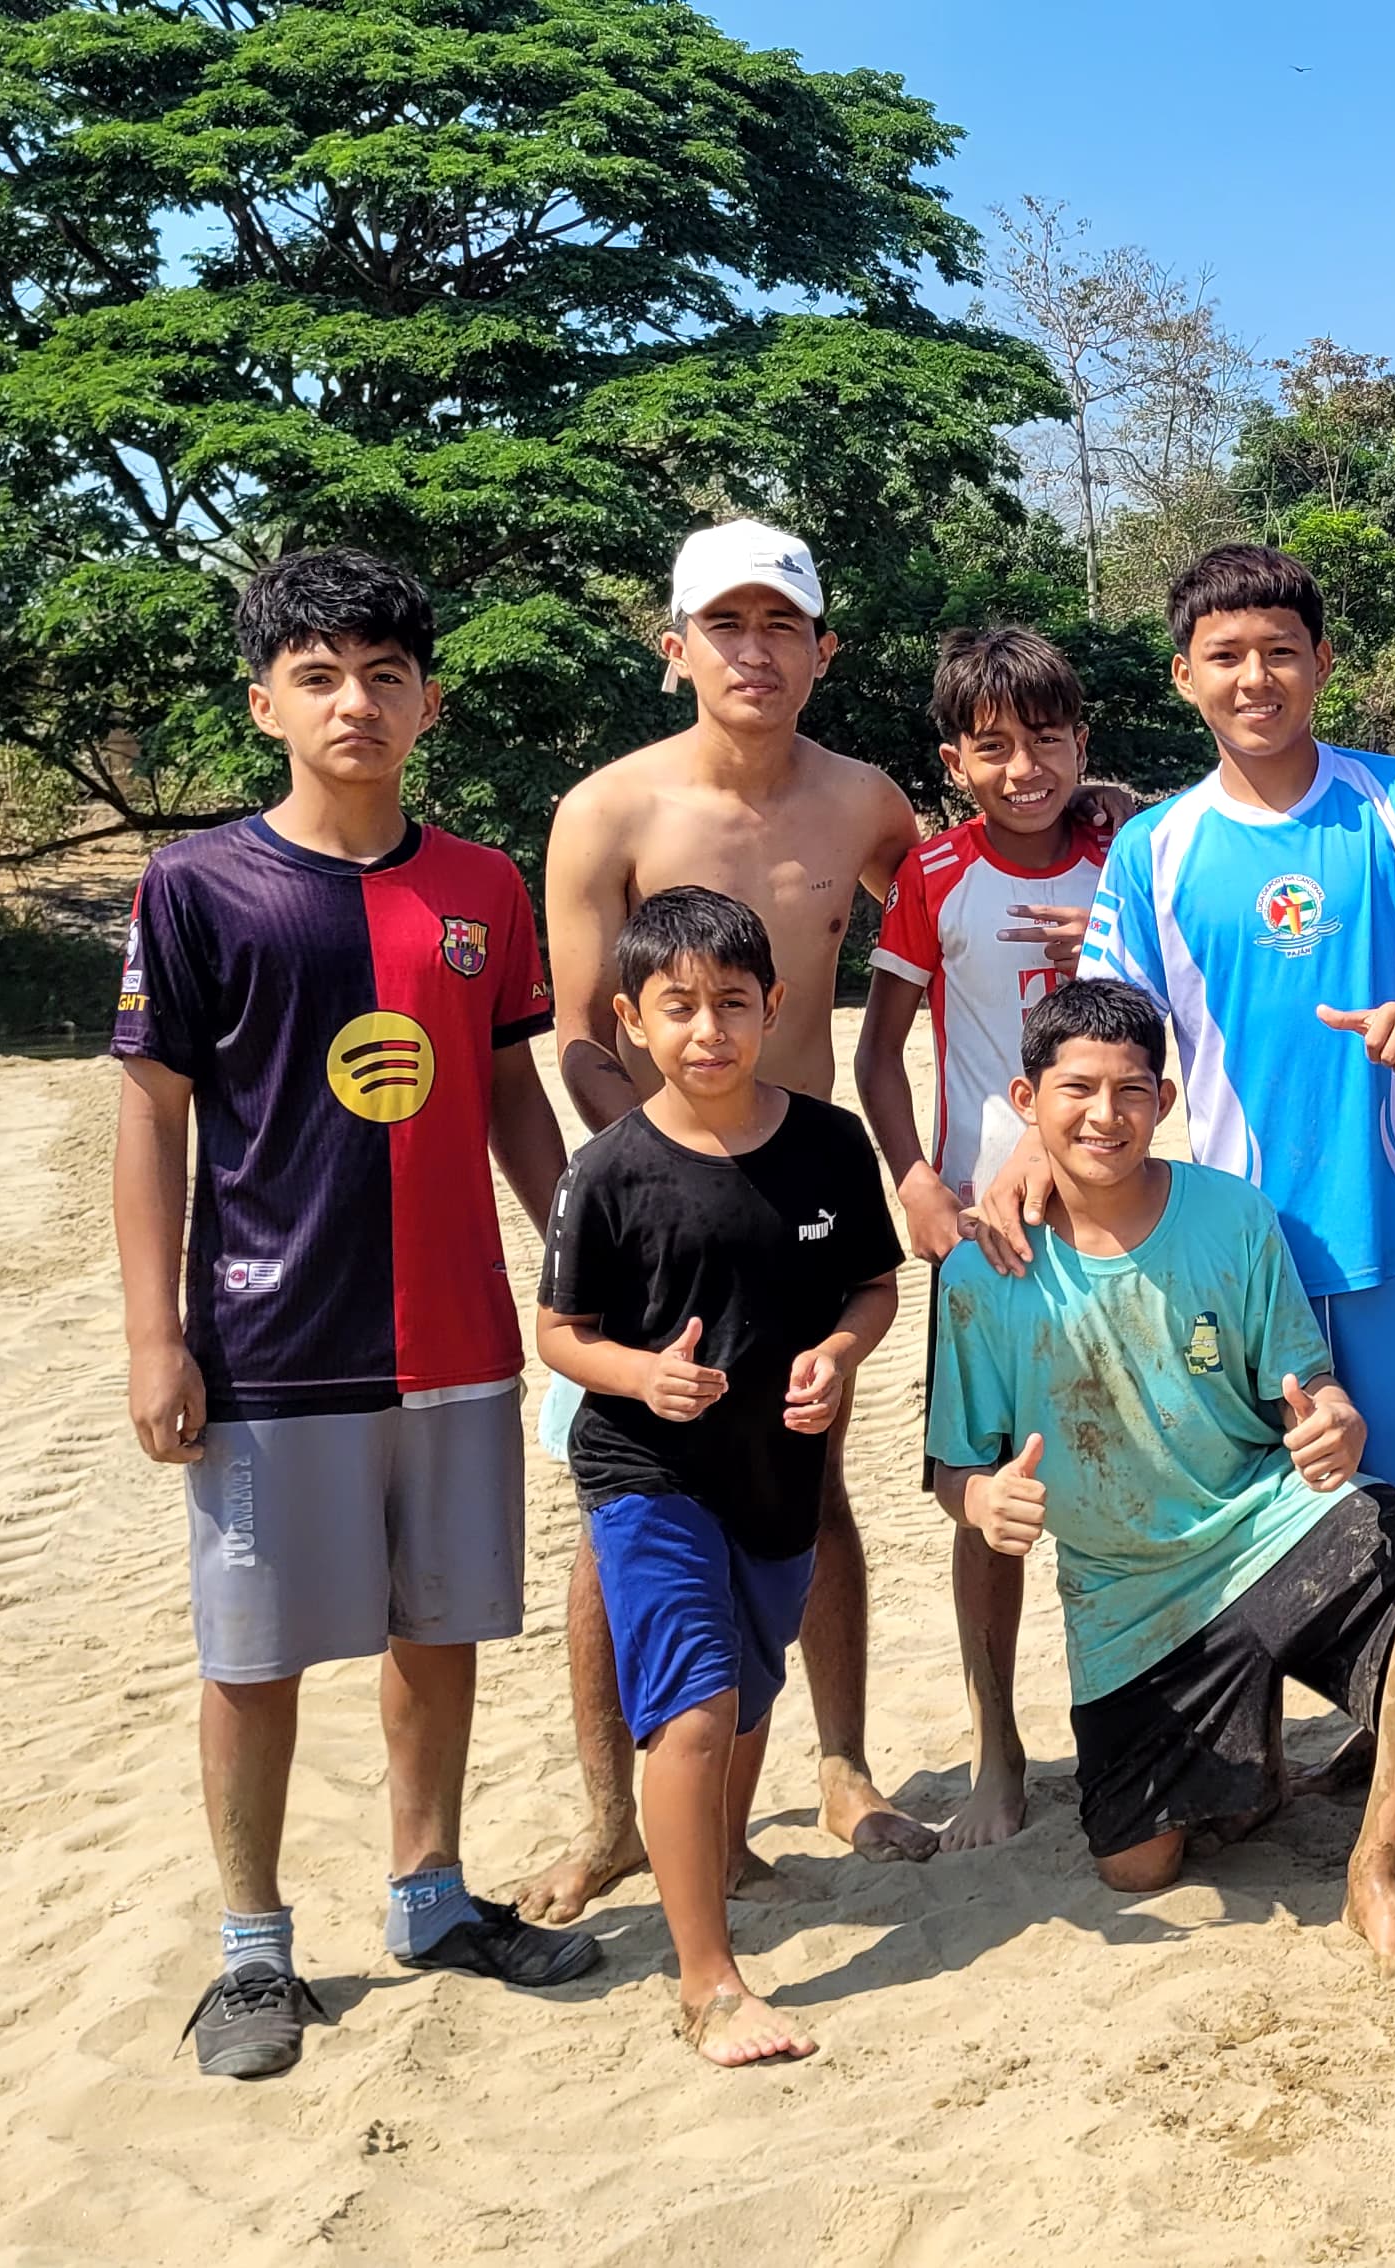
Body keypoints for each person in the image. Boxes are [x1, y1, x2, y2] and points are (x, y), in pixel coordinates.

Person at [970, 544, 1395, 1854]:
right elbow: (1108, 1038)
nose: (1256, 677)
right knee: (1255, 1511)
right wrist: (1021, 1154)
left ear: (1322, 663)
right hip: (1230, 1256)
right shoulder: (1155, 851)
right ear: (1184, 675)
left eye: (1280, 651)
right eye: (1226, 655)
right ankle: (1266, 1757)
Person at [113, 549, 601, 2082]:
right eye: (317, 676)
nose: (355, 703)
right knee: (252, 1654)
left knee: (436, 1625)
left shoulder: (479, 886)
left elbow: (512, 1092)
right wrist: (153, 1336)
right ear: (264, 704)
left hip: (456, 1336)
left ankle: (429, 1896)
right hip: (269, 1344)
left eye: (386, 676)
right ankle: (253, 1948)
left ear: (428, 703)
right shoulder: (198, 885)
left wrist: (577, 1262)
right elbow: (151, 1118)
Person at [520, 518, 945, 1923]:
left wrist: (1075, 863)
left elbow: (943, 919)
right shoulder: (607, 812)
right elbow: (583, 1035)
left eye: (781, 626)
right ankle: (612, 1816)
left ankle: (841, 1766)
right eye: (725, 625)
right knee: (624, 1510)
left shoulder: (867, 803)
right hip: (653, 1210)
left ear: (824, 650)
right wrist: (651, 1174)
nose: (753, 651)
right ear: (675, 649)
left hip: (809, 1203)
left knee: (812, 1483)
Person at [928, 980, 1395, 1977]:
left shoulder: (1231, 1215)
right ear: (1026, 1101)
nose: (1104, 1115)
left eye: (1131, 1090)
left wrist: (1337, 1420)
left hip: (1264, 1529)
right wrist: (980, 1498)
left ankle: (1375, 1871)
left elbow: (1305, 1383)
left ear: (1165, 1099)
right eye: (1076, 1090)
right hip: (1127, 1600)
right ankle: (1250, 1762)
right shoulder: (982, 1274)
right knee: (1138, 1868)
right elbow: (953, 1464)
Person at [537, 887, 900, 2064]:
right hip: (647, 1471)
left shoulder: (830, 1146)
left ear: (776, 1007)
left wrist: (837, 1355)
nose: (708, 1030)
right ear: (632, 1021)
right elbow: (560, 1334)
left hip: (777, 1475)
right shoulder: (605, 1171)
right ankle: (708, 1984)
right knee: (693, 1708)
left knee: (746, 1692)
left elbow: (872, 1287)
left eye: (732, 1004)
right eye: (679, 1007)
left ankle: (726, 1854)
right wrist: (643, 1377)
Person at [857, 625, 1113, 1850]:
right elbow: (877, 1050)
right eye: (994, 747)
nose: (1026, 769)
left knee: (1123, 1470)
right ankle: (997, 1751)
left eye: (1047, 740)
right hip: (987, 1236)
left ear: (1081, 743)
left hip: (1118, 1221)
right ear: (955, 761)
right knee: (988, 1498)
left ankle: (1127, 1724)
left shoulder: (1126, 859)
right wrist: (915, 1179)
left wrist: (1107, 937)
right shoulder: (934, 873)